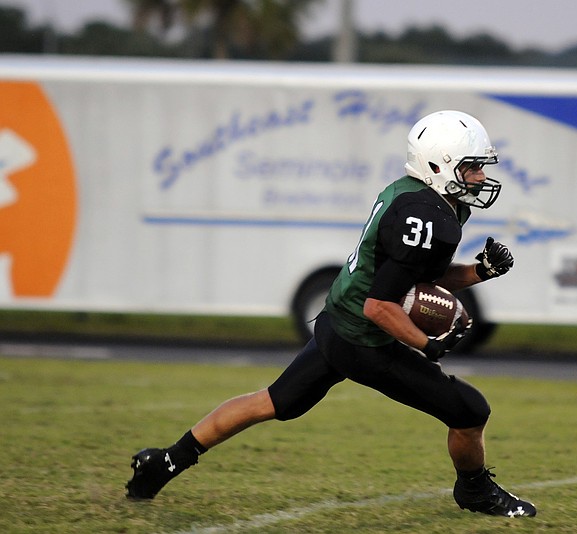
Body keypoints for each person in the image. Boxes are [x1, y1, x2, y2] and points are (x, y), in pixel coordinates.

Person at [126, 110, 537, 518]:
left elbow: (419, 276)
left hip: (337, 323)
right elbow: (381, 305)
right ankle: (475, 491)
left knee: (272, 401)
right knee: (469, 410)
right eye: (471, 168)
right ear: (437, 165)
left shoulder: (417, 197)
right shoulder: (426, 217)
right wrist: (427, 344)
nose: (480, 178)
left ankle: (166, 461)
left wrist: (480, 271)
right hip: (363, 339)